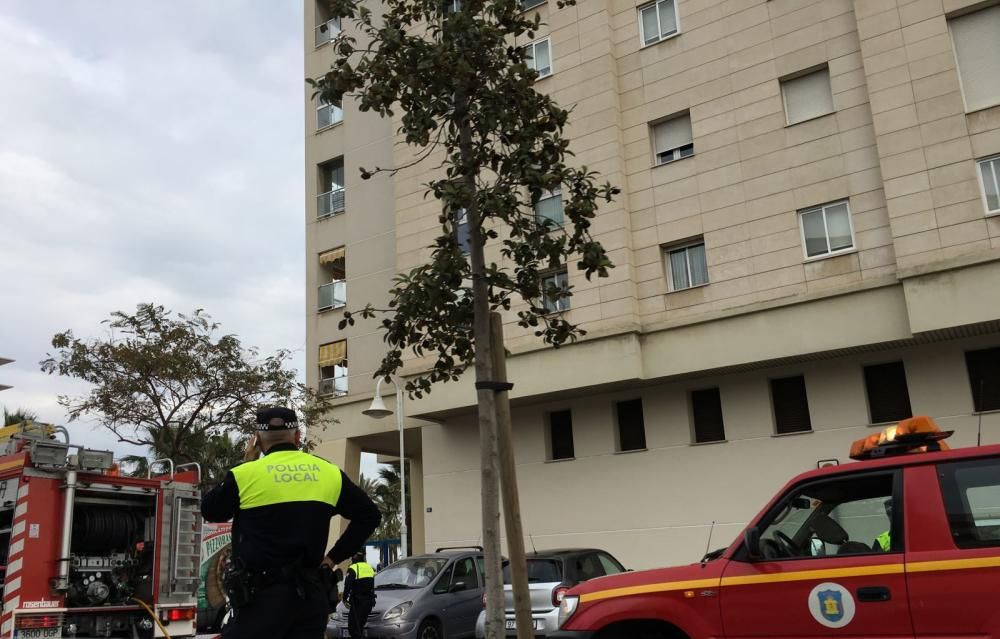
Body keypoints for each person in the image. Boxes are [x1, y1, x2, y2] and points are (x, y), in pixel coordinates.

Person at [202, 407, 381, 639]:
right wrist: (331, 560)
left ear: (257, 439)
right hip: (309, 600)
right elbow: (369, 516)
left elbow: (211, 511)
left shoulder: (245, 475)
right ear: (297, 436)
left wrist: (246, 462)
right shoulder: (328, 473)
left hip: (259, 602)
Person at [342, 551, 376, 639]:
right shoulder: (369, 567)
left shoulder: (353, 567)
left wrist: (344, 598)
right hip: (369, 602)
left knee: (353, 628)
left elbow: (348, 585)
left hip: (358, 602)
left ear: (355, 557)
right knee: (360, 626)